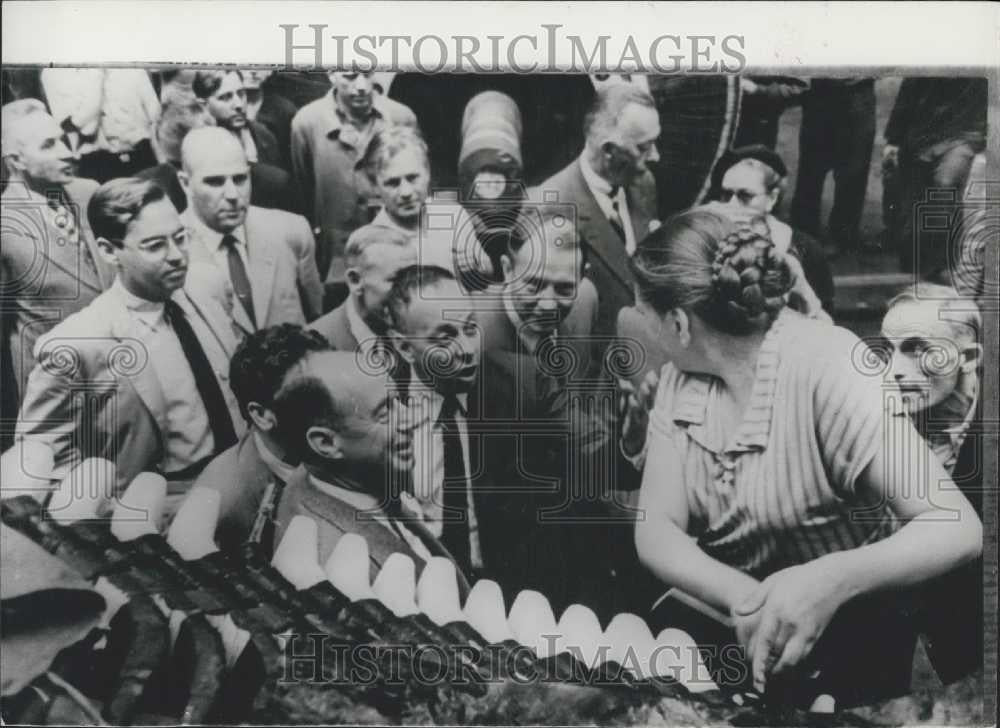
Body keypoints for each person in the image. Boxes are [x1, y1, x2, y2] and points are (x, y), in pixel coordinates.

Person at [630, 208, 982, 707]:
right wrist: (748, 600)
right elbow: (656, 528)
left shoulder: (830, 367)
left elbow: (956, 526)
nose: (643, 328)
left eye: (645, 316)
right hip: (737, 645)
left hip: (853, 656)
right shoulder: (679, 379)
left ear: (680, 324)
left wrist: (829, 579)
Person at [15, 177, 245, 505]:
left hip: (242, 480)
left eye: (181, 238)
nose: (178, 255)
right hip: (164, 506)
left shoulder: (207, 286)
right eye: (155, 246)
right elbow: (38, 457)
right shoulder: (79, 343)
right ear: (110, 251)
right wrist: (110, 510)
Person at [272, 350, 470, 593]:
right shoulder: (339, 572)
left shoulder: (326, 474)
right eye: (385, 412)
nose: (412, 419)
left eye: (399, 401)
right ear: (326, 443)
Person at [531, 82, 661, 373]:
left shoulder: (643, 184)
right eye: (644, 147)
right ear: (610, 152)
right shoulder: (549, 208)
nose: (655, 156)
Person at [2, 99, 114, 410]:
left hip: (122, 373)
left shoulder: (88, 192)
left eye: (63, 139)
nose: (68, 152)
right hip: (61, 395)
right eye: (49, 145)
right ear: (16, 160)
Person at [191, 324, 331, 555]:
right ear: (263, 415)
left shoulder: (302, 447)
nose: (335, 401)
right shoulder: (227, 506)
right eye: (313, 395)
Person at [385, 265, 484, 581]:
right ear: (404, 347)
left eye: (470, 329)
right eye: (445, 338)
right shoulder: (381, 410)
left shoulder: (518, 388)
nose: (467, 351)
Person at [178, 127, 322, 327]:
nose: (232, 195)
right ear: (185, 183)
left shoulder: (290, 230)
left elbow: (317, 316)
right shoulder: (172, 253)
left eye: (240, 179)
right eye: (215, 182)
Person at [290, 70, 417, 284]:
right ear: (332, 75)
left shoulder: (401, 117)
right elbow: (303, 188)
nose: (362, 86)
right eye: (350, 76)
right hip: (336, 256)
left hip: (394, 244)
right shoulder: (307, 123)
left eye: (367, 74)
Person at [355, 126, 493, 294]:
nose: (405, 192)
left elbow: (485, 274)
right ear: (375, 187)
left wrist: (478, 267)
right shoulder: (374, 244)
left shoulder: (453, 215)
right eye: (392, 183)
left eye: (412, 178)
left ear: (427, 172)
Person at [708, 145, 835, 315]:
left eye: (745, 196)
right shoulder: (705, 240)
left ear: (772, 198)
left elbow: (823, 317)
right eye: (726, 195)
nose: (733, 205)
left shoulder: (803, 248)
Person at [882, 78, 988, 279]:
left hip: (961, 133)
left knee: (944, 186)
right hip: (920, 135)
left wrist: (980, 135)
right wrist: (893, 139)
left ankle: (945, 264)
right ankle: (917, 268)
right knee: (913, 204)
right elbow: (908, 91)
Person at [309, 224, 416, 383]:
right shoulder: (314, 348)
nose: (411, 292)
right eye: (396, 280)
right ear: (355, 280)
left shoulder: (420, 329)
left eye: (414, 279)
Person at [790, 77, 877, 255]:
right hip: (820, 88)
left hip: (858, 89)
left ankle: (843, 234)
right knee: (811, 167)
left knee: (854, 168)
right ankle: (802, 232)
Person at [40, 68, 160, 183]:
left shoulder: (133, 70)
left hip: (143, 156)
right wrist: (96, 76)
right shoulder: (55, 74)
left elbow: (156, 118)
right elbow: (85, 129)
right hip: (97, 163)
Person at [191, 69, 284, 171]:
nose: (239, 104)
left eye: (241, 94)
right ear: (203, 105)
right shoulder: (197, 147)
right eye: (226, 97)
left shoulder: (264, 135)